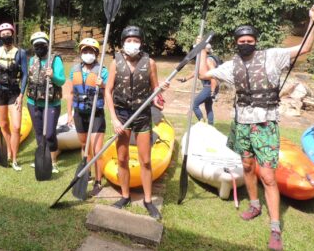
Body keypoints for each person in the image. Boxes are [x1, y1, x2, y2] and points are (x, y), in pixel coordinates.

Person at [197, 5, 314, 251]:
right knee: (246, 165)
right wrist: (202, 49)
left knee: (267, 176)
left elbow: (305, 48)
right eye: (241, 40)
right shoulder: (231, 66)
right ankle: (254, 204)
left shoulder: (272, 56)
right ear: (236, 43)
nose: (245, 43)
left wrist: (312, 21)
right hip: (241, 123)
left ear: (255, 41)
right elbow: (203, 72)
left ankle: (275, 227)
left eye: (249, 40)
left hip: (265, 125)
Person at [104, 25, 169, 219]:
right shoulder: (116, 62)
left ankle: (148, 200)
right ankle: (125, 196)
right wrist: (114, 118)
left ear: (141, 43)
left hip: (142, 115)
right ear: (123, 43)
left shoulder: (150, 63)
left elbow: (155, 91)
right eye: (129, 40)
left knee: (146, 160)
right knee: (122, 159)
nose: (132, 44)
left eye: (136, 40)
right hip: (122, 115)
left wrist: (160, 92)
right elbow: (108, 91)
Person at [66, 37, 108, 195]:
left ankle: (98, 181)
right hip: (79, 113)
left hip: (95, 114)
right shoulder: (74, 69)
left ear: (96, 54)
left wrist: (102, 85)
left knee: (97, 149)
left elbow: (109, 91)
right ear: (81, 52)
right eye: (85, 51)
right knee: (84, 145)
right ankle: (87, 172)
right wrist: (69, 114)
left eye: (91, 51)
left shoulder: (102, 70)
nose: (88, 54)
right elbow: (70, 93)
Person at [0, 23, 28, 171]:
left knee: (16, 126)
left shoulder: (20, 53)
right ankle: (9, 152)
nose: (6, 36)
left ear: (13, 34)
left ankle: (15, 158)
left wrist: (21, 94)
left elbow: (24, 75)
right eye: (3, 34)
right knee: (4, 125)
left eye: (8, 33)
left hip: (14, 92)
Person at [27, 31, 66, 174]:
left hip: (51, 103)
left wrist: (53, 75)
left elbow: (62, 80)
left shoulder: (55, 60)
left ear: (47, 45)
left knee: (49, 133)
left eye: (42, 44)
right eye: (36, 45)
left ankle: (54, 161)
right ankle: (43, 157)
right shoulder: (32, 60)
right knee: (38, 133)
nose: (39, 47)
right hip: (33, 102)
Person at [177, 43, 221, 125]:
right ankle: (210, 126)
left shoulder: (208, 60)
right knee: (208, 106)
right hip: (209, 87)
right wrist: (185, 79)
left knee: (194, 104)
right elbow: (197, 72)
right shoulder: (204, 60)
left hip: (209, 87)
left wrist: (212, 91)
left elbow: (214, 75)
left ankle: (201, 122)